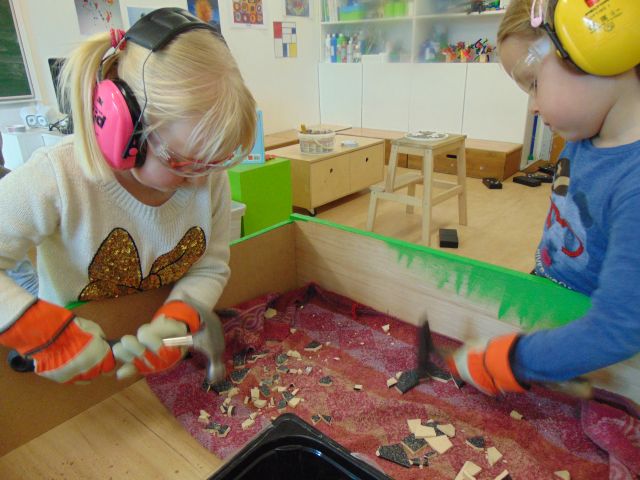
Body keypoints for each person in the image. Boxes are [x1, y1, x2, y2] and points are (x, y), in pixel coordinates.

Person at [0, 8, 256, 384]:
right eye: (182, 162)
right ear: (124, 129)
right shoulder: (57, 178)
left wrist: (181, 314)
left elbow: (210, 265)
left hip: (148, 370)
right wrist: (30, 328)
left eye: (214, 162)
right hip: (69, 370)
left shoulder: (205, 177)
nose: (201, 179)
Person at [446, 0, 640, 396]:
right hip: (552, 303)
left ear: (597, 48)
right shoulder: (586, 138)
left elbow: (620, 327)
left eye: (534, 83)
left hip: (594, 348)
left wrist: (514, 360)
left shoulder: (634, 184)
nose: (533, 106)